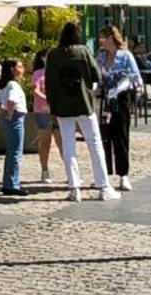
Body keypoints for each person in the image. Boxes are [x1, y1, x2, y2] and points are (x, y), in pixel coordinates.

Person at [45, 21, 117, 202]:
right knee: (95, 144)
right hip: (84, 104)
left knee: (68, 147)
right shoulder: (83, 52)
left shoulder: (53, 55)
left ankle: (74, 188)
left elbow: (49, 84)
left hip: (62, 107)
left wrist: (53, 107)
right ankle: (103, 186)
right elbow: (96, 76)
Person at [96, 25, 144, 191]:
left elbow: (136, 77)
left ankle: (123, 175)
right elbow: (97, 76)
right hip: (105, 102)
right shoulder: (101, 57)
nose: (101, 41)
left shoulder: (125, 56)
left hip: (121, 100)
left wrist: (135, 96)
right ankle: (105, 175)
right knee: (104, 138)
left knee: (121, 137)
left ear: (112, 38)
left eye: (104, 37)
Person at [0, 59, 27, 196]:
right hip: (15, 118)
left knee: (11, 151)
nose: (22, 69)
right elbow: (11, 102)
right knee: (15, 152)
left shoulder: (4, 85)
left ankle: (8, 182)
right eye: (19, 67)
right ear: (13, 70)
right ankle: (12, 183)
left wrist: (5, 114)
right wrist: (9, 114)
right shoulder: (13, 85)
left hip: (8, 118)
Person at [31, 48, 57, 183]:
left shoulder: (56, 72)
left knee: (62, 142)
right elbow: (35, 90)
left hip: (57, 111)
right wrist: (48, 99)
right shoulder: (38, 73)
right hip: (42, 111)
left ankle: (71, 172)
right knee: (45, 142)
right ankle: (44, 170)